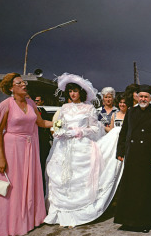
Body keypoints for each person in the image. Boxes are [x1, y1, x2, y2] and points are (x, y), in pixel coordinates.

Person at [0, 73, 52, 236]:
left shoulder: (30, 103)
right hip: (11, 148)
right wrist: (0, 157)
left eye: (24, 82)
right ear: (10, 88)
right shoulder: (6, 105)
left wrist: (61, 122)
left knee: (26, 183)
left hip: (29, 148)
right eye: (19, 83)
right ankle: (9, 224)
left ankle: (28, 220)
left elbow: (41, 123)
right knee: (12, 185)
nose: (23, 85)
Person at [44, 73, 107, 227]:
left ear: (81, 92)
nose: (72, 94)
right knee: (63, 177)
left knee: (80, 178)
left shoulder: (89, 108)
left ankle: (81, 212)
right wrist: (59, 131)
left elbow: (94, 128)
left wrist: (78, 131)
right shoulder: (64, 108)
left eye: (75, 91)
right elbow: (59, 123)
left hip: (81, 146)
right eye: (70, 91)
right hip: (64, 145)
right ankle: (61, 212)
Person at [114, 85, 151, 233]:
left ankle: (144, 223)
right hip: (132, 155)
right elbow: (124, 133)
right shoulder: (131, 112)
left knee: (145, 190)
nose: (143, 99)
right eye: (141, 96)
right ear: (137, 97)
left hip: (147, 157)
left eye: (146, 97)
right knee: (130, 188)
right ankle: (127, 221)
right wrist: (120, 151)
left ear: (150, 98)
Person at [33, 94, 53, 194]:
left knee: (41, 168)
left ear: (42, 102)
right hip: (31, 142)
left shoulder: (42, 111)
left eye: (38, 101)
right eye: (34, 100)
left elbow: (46, 124)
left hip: (42, 143)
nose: (36, 102)